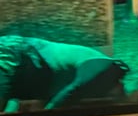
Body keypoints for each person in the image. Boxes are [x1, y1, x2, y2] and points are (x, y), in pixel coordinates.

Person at [0, 35, 129, 111]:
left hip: (26, 57)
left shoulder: (101, 75)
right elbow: (70, 93)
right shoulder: (104, 66)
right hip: (23, 52)